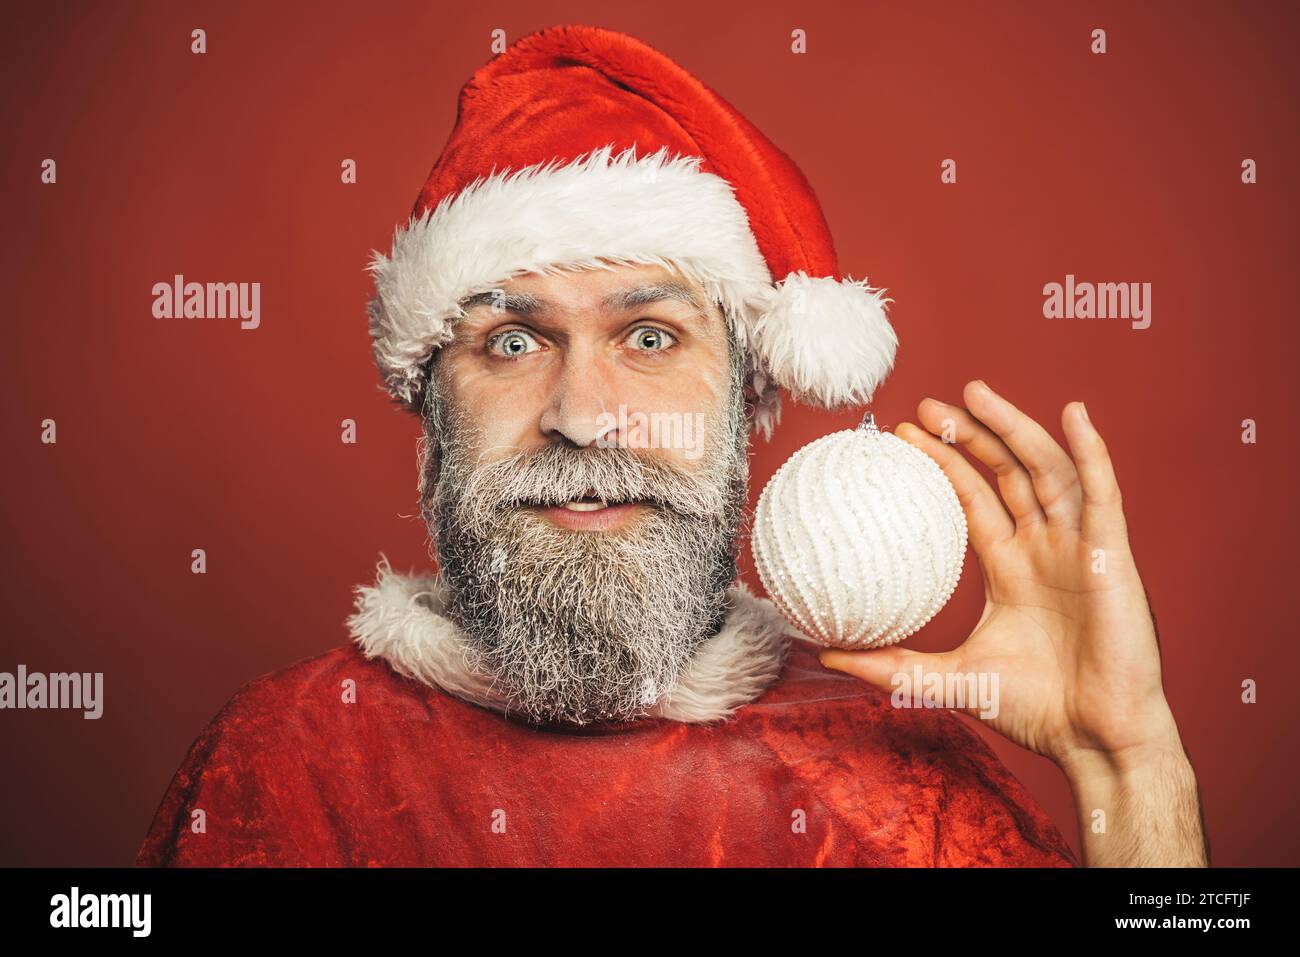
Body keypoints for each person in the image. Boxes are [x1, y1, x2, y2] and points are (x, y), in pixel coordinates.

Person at [137, 24, 1207, 867]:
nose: (583, 413)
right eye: (511, 341)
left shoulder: (900, 791)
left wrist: (1126, 765)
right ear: (426, 417)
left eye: (650, 336)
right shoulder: (276, 766)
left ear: (751, 404)